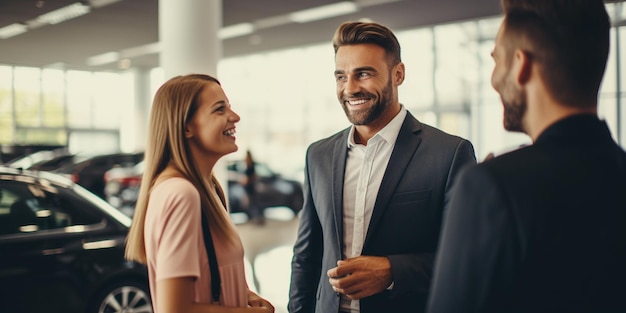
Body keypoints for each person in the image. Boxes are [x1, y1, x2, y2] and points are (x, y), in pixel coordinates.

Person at [427, 1, 626, 312]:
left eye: (496, 60)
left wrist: (491, 192)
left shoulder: (491, 188)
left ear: (522, 64)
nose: (493, 79)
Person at [288, 21, 476, 313]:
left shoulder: (449, 153)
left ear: (398, 74)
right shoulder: (319, 155)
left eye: (363, 74)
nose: (349, 88)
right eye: (341, 76)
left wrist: (392, 271)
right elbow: (306, 255)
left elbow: (467, 257)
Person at [124, 74, 274, 313]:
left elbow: (209, 276)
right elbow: (174, 309)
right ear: (186, 127)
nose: (235, 117)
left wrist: (245, 294)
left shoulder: (207, 189)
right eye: (219, 109)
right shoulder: (181, 193)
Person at [242, 149, 264, 225]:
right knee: (254, 204)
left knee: (253, 205)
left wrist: (244, 181)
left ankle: (257, 218)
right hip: (251, 188)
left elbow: (251, 178)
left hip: (250, 189)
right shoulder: (251, 165)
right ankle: (257, 218)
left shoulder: (249, 167)